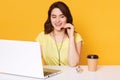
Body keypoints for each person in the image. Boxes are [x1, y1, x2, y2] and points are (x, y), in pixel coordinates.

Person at [36, 1, 83, 67]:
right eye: (54, 17)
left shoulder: (77, 37)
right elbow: (35, 62)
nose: (57, 20)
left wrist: (71, 37)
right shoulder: (42, 37)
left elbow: (73, 64)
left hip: (69, 76)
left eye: (62, 16)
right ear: (50, 18)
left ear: (67, 18)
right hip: (50, 76)